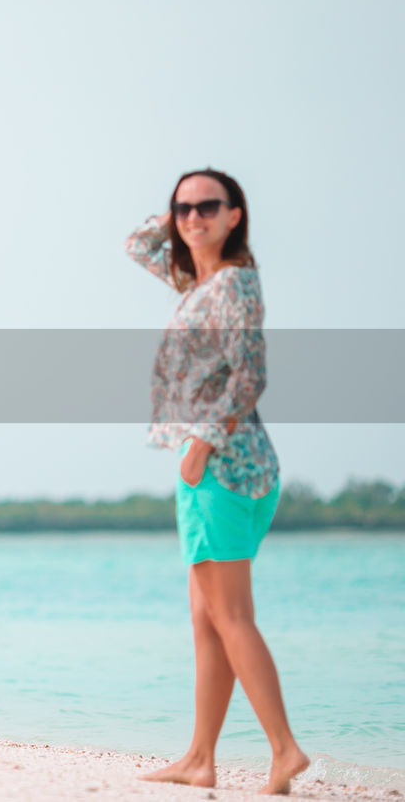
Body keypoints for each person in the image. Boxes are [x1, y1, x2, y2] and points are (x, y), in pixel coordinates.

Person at [125, 169, 307, 794]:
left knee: (229, 618)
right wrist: (173, 221)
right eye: (183, 208)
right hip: (239, 463)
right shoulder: (200, 282)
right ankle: (201, 759)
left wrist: (201, 444)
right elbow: (136, 245)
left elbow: (250, 376)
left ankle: (284, 751)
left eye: (208, 206)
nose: (193, 217)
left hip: (220, 464)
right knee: (209, 621)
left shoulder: (231, 284)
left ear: (237, 215)